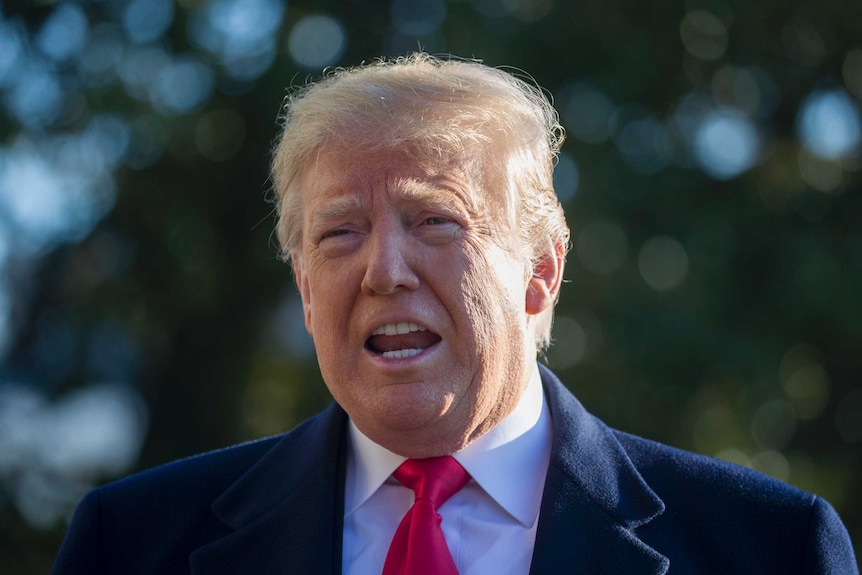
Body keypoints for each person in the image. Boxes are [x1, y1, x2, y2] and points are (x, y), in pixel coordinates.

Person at [52, 53, 857, 575]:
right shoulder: (131, 544)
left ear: (541, 272)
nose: (383, 271)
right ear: (303, 288)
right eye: (340, 232)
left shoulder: (770, 549)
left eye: (434, 221)